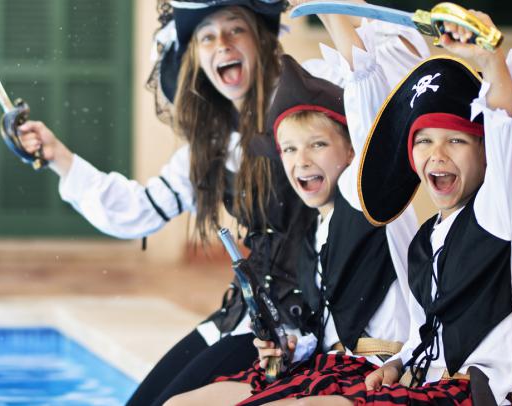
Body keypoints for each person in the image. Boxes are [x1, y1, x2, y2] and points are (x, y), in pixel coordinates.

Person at [17, 1, 314, 404]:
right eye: (207, 36)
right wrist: (59, 157)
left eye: (235, 30)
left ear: (261, 42)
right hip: (244, 316)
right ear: (196, 58)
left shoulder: (306, 118)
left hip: (299, 328)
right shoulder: (209, 148)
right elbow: (136, 211)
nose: (222, 43)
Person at [267, 10, 512, 406]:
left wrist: (491, 59)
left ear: (487, 153)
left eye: (455, 141)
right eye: (423, 141)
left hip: (484, 396)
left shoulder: (501, 216)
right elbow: (426, 332)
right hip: (425, 387)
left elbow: (506, 126)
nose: (436, 154)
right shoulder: (425, 242)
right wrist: (398, 365)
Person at [165, 10, 427, 404]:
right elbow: (324, 325)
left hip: (375, 373)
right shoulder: (314, 232)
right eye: (288, 149)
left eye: (317, 145)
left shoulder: (368, 198)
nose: (300, 161)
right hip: (323, 367)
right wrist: (290, 346)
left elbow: (368, 97)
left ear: (354, 150)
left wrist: (333, 12)